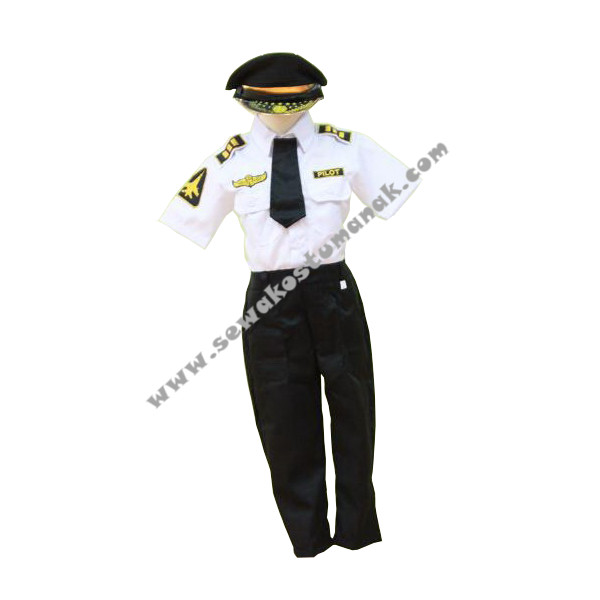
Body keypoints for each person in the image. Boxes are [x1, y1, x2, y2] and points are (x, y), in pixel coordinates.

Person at [160, 52, 421, 557]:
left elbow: (396, 193)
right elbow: (189, 219)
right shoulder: (229, 161)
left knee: (354, 408)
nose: (282, 113)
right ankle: (308, 538)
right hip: (269, 299)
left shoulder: (348, 147)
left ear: (311, 99)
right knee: (283, 415)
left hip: (332, 288)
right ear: (247, 103)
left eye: (294, 103)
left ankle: (357, 530)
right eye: (267, 104)